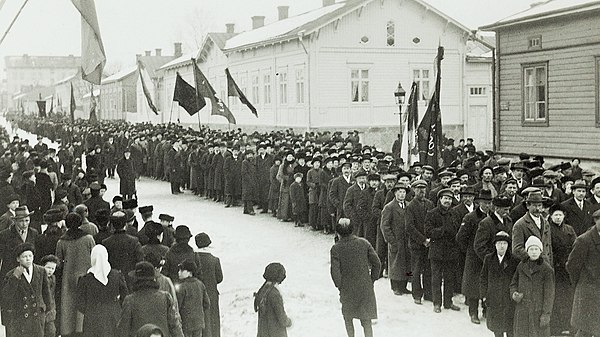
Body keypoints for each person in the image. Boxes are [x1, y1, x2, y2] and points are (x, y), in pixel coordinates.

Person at [330, 218, 381, 337]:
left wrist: (340, 286)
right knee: (366, 320)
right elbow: (377, 263)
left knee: (348, 318)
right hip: (365, 287)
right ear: (352, 229)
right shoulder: (364, 243)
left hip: (347, 288)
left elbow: (335, 272)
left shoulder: (336, 248)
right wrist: (371, 280)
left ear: (338, 232)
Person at [455, 191, 495, 324]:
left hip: (488, 256)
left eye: (489, 203)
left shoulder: (493, 217)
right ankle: (473, 312)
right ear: (478, 203)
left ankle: (486, 310)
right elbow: (460, 238)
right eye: (485, 203)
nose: (487, 205)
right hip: (473, 257)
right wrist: (469, 252)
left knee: (487, 285)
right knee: (473, 287)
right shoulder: (470, 217)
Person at [55, 212, 96, 337]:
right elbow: (94, 257)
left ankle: (68, 330)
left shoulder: (62, 241)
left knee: (69, 305)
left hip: (68, 279)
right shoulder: (88, 238)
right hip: (86, 276)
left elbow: (58, 262)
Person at [118, 261, 184, 337]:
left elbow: (123, 330)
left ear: (136, 280)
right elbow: (175, 326)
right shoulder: (166, 297)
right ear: (154, 279)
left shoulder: (130, 300)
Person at [75, 244, 128, 337]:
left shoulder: (85, 279)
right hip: (114, 315)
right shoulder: (117, 276)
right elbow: (125, 297)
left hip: (92, 317)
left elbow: (80, 304)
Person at [1, 242, 52, 337]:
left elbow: (46, 292)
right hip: (20, 319)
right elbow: (6, 296)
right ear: (18, 259)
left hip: (37, 317)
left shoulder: (41, 271)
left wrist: (47, 310)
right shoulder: (11, 275)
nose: (28, 259)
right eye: (24, 257)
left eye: (30, 256)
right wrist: (15, 277)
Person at [510, 236, 555, 337]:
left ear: (540, 251)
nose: (534, 252)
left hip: (537, 312)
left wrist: (546, 314)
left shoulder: (547, 269)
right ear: (527, 251)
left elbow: (549, 294)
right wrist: (514, 293)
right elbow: (513, 283)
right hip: (522, 311)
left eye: (536, 249)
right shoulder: (521, 266)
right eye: (531, 249)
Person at [425, 188, 461, 313]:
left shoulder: (454, 213)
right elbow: (428, 231)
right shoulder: (432, 213)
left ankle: (448, 302)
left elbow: (458, 231)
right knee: (436, 278)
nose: (447, 201)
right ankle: (437, 303)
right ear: (440, 199)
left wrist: (453, 232)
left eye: (450, 199)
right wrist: (442, 231)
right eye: (445, 198)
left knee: (449, 278)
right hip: (437, 251)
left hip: (451, 251)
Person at [566, 209, 600, 337]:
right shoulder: (584, 240)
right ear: (596, 221)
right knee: (585, 329)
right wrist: (581, 283)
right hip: (588, 293)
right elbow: (572, 266)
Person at [479, 231, 519, 337]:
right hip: (494, 298)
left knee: (510, 329)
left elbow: (517, 279)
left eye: (505, 243)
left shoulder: (514, 260)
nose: (502, 246)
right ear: (495, 245)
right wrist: (484, 295)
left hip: (508, 300)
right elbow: (483, 278)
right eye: (499, 243)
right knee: (497, 328)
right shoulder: (489, 259)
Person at [547, 203, 576, 336]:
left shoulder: (569, 229)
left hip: (567, 269)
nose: (558, 217)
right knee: (555, 298)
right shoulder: (547, 229)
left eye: (560, 215)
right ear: (551, 216)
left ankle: (567, 325)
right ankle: (555, 327)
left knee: (568, 297)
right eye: (555, 215)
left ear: (564, 216)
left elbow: (575, 247)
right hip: (554, 268)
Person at [405, 179, 434, 304]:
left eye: (423, 189)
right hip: (417, 244)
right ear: (414, 190)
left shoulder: (430, 204)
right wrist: (423, 240)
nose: (421, 191)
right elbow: (409, 227)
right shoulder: (410, 206)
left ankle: (428, 293)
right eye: (418, 189)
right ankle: (416, 294)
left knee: (428, 269)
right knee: (416, 270)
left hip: (429, 243)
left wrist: (430, 239)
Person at [380, 182, 411, 295]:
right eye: (399, 192)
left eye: (404, 192)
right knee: (395, 264)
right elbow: (385, 226)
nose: (402, 195)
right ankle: (395, 287)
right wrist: (391, 240)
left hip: (407, 241)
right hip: (396, 240)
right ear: (395, 193)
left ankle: (404, 286)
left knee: (407, 263)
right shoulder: (389, 207)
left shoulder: (408, 205)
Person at [512, 191, 553, 266]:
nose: (537, 209)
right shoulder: (520, 225)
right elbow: (517, 249)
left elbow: (549, 248)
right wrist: (533, 258)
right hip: (530, 267)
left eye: (539, 205)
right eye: (534, 205)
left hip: (546, 267)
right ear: (528, 206)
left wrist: (550, 268)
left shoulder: (546, 223)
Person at [194, 233, 223, 337]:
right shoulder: (214, 260)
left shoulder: (193, 258)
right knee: (212, 318)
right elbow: (219, 278)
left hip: (196, 293)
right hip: (211, 293)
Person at [253, 262, 292, 337]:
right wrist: (288, 322)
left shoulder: (262, 290)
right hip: (275, 333)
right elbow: (281, 317)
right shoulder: (275, 294)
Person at [102, 211, 144, 280]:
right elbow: (140, 261)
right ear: (125, 224)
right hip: (130, 279)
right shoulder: (134, 241)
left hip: (112, 280)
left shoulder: (105, 242)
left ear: (112, 224)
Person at [175, 259, 210, 337]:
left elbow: (177, 306)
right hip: (199, 323)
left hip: (186, 324)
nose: (179, 272)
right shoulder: (200, 284)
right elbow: (206, 303)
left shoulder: (182, 287)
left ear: (190, 273)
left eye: (182, 270)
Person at [41, 254, 59, 337]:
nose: (50, 270)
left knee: (51, 332)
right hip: (41, 311)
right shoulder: (39, 278)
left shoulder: (53, 278)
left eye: (53, 268)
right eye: (48, 267)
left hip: (51, 311)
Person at [241, 150, 258, 215]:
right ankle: (250, 209)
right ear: (246, 155)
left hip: (252, 180)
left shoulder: (253, 162)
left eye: (251, 154)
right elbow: (244, 173)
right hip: (247, 182)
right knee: (248, 195)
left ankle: (246, 209)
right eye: (249, 155)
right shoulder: (244, 162)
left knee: (248, 195)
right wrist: (249, 179)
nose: (250, 156)